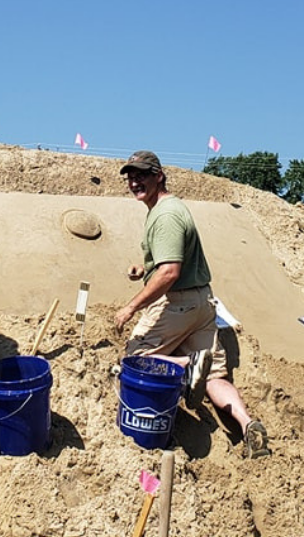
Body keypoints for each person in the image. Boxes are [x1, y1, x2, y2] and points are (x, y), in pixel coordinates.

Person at [112, 150, 270, 458]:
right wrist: (144, 270)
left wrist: (131, 307)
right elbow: (169, 261)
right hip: (202, 303)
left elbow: (170, 271)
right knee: (214, 378)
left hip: (177, 303)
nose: (134, 182)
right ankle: (248, 424)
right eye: (131, 176)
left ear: (159, 175)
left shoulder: (166, 215)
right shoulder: (170, 208)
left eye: (142, 175)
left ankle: (188, 363)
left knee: (135, 359)